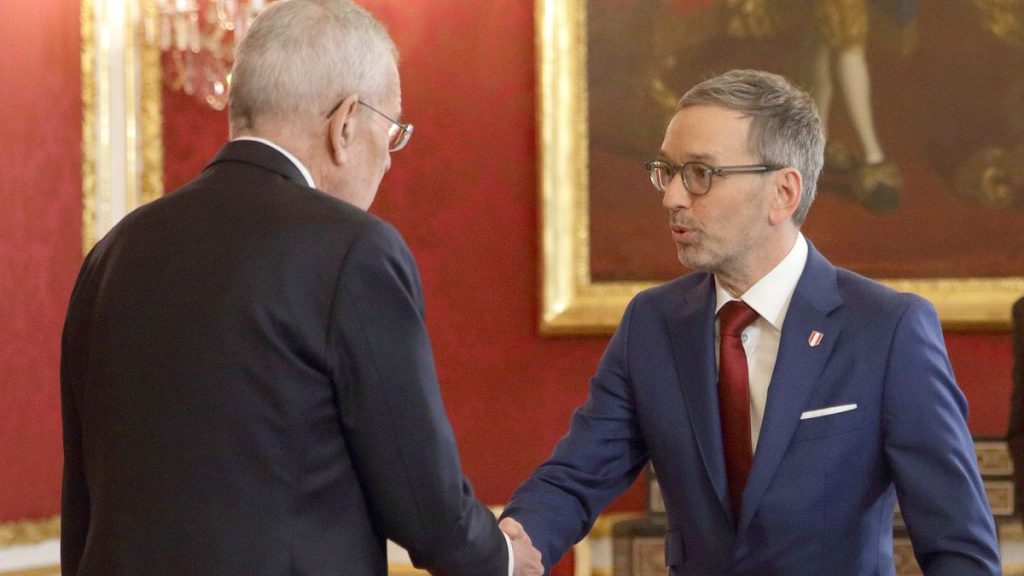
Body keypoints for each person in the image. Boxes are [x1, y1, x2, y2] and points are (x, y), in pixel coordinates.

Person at [60, 1, 541, 575]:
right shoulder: (353, 249)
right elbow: (423, 503)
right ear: (344, 124)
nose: (389, 158)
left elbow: (83, 502)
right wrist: (504, 559)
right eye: (392, 131)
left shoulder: (112, 252)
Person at [502, 69, 1000, 575]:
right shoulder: (652, 324)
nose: (672, 196)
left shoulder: (887, 330)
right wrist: (504, 551)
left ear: (782, 193)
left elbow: (960, 549)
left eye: (700, 173)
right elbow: (576, 478)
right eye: (666, 171)